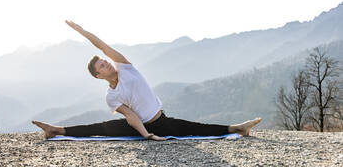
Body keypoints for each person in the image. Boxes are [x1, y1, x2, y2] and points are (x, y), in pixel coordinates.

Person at [32, 20, 262, 141]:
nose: (107, 63)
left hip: (160, 121)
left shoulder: (125, 68)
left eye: (105, 61)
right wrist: (146, 135)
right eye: (102, 65)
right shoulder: (111, 96)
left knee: (195, 128)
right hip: (141, 126)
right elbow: (131, 116)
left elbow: (102, 45)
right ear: (99, 76)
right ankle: (56, 130)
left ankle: (237, 128)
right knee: (100, 128)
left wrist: (82, 31)